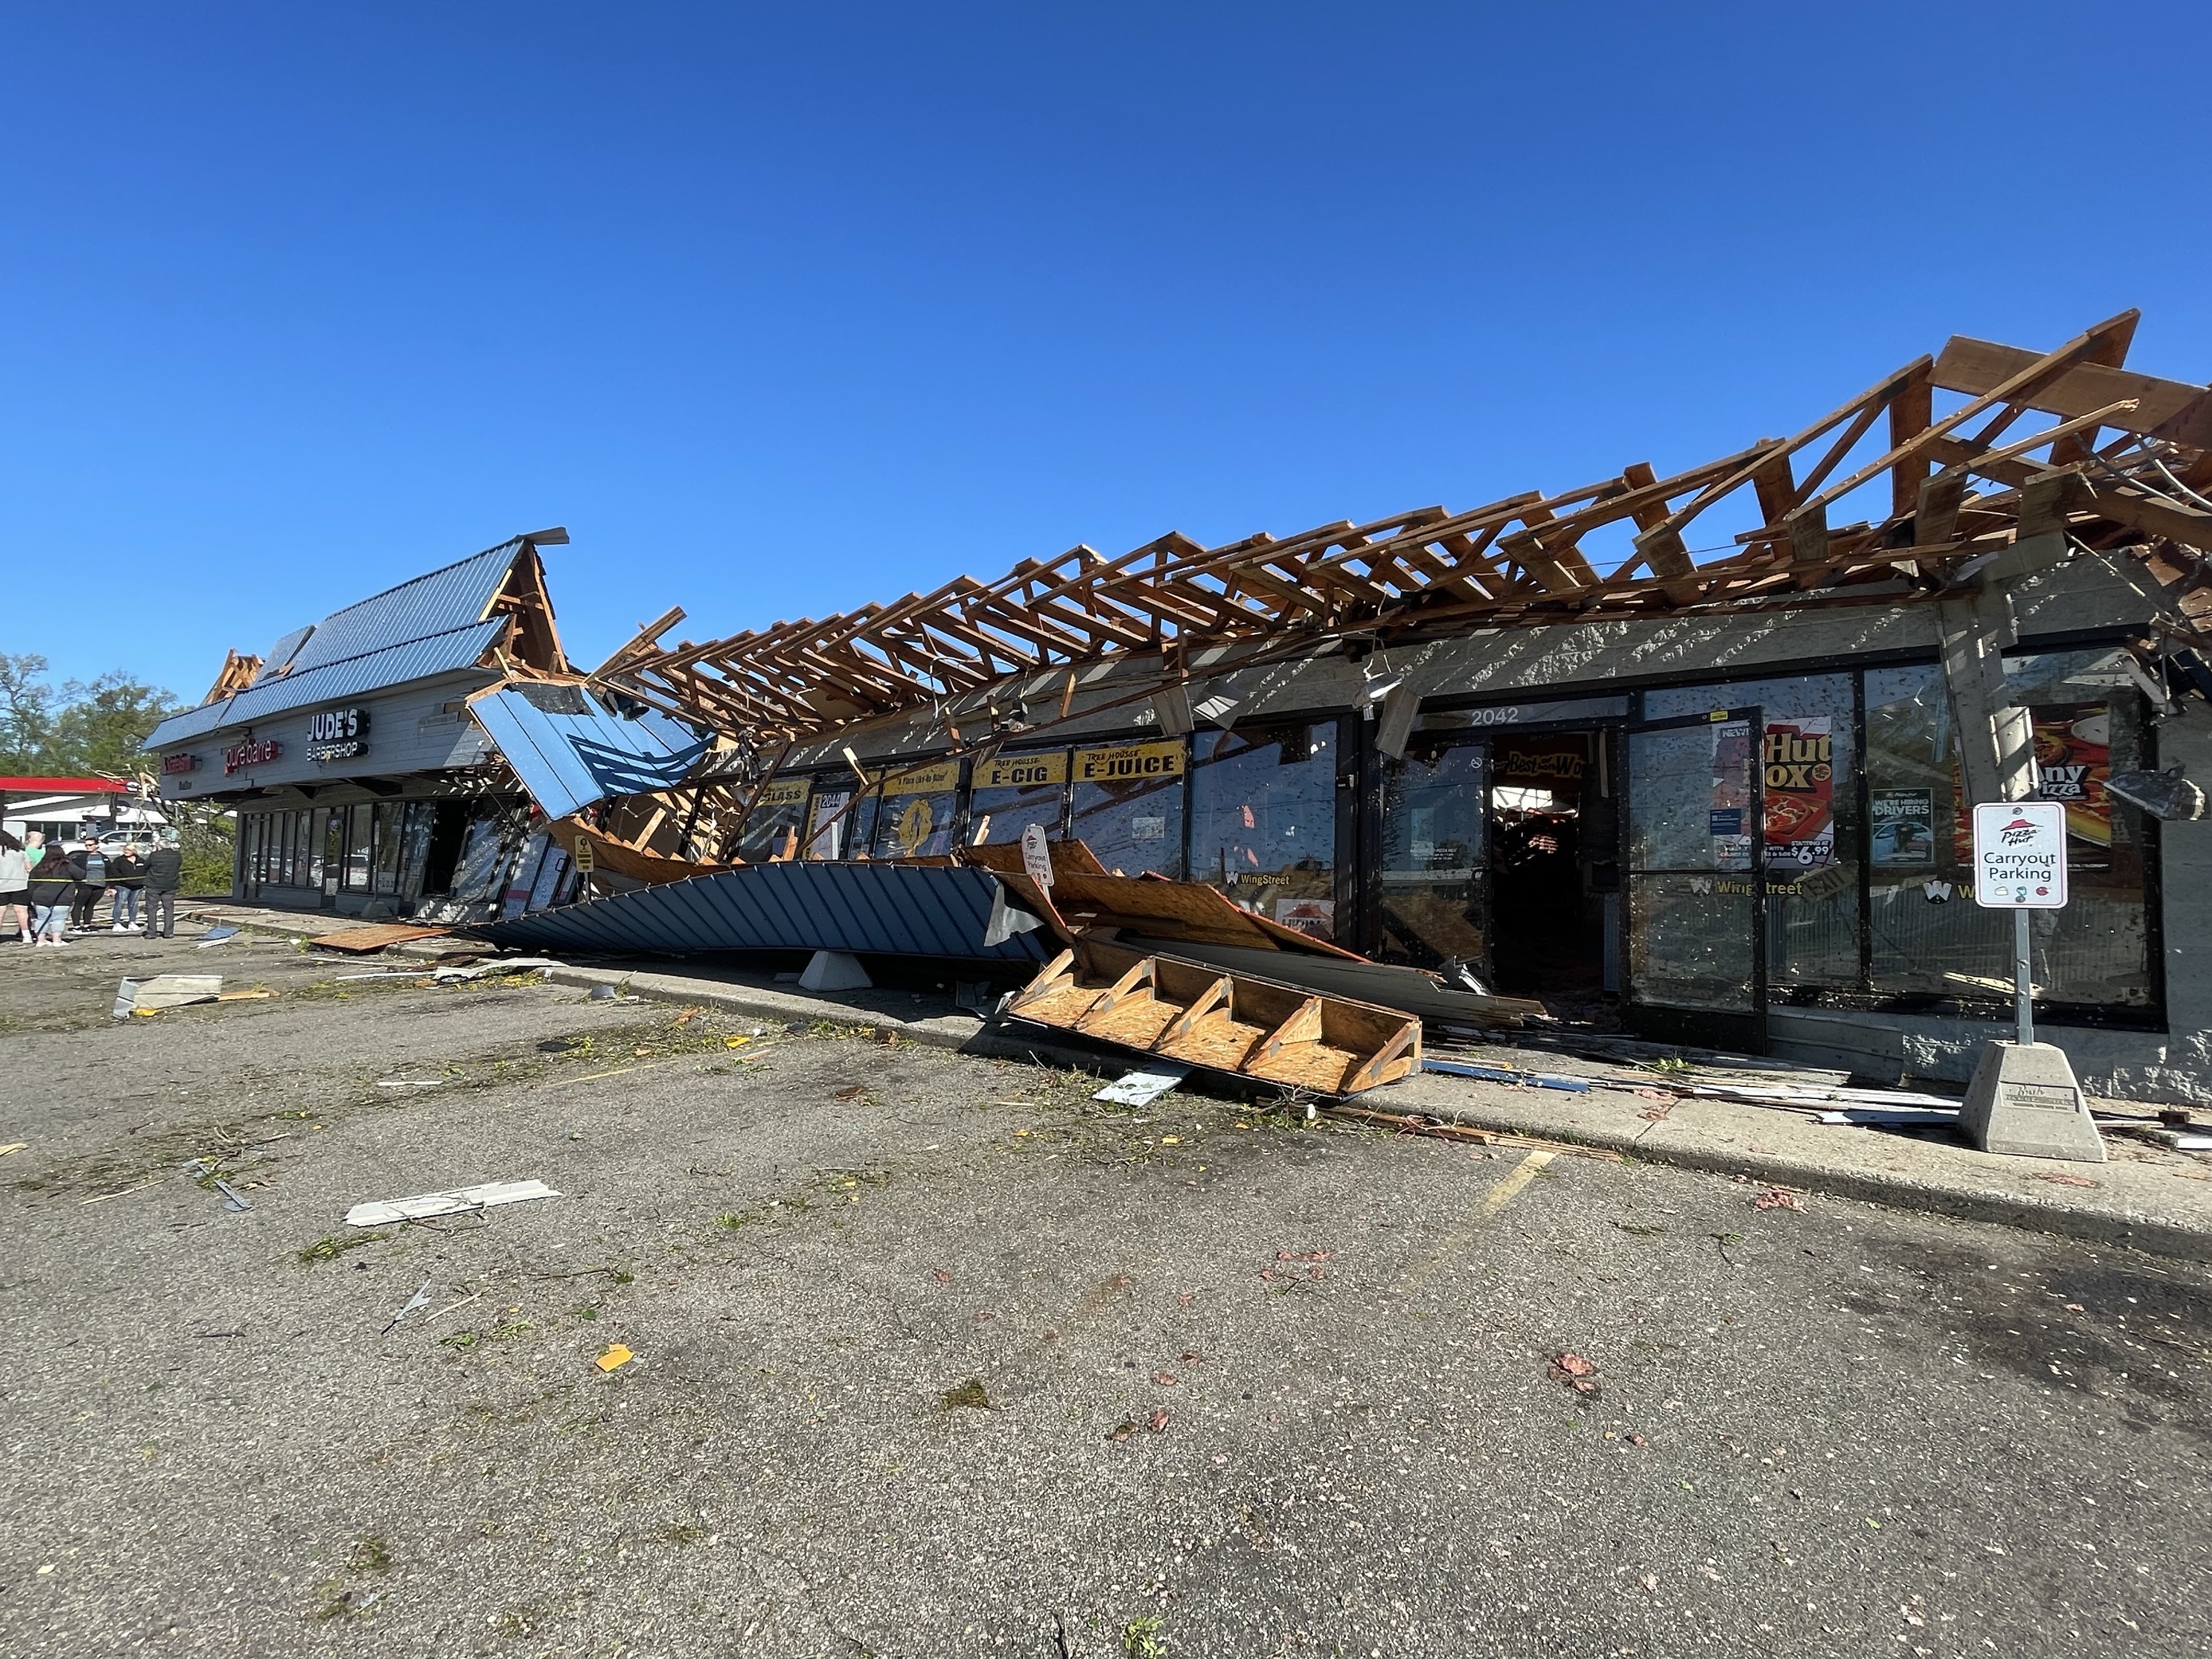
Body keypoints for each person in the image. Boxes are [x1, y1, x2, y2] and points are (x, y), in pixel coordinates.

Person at [29, 840, 82, 946]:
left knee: (42, 918)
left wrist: (31, 896)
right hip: (62, 898)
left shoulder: (39, 867)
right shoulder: (67, 866)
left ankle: (41, 940)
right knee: (59, 919)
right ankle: (57, 940)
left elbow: (31, 883)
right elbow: (81, 875)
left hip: (41, 897)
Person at [142, 840, 182, 939]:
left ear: (159, 846)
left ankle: (152, 932)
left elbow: (145, 866)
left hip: (154, 885)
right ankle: (168, 932)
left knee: (152, 909)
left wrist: (154, 851)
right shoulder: (177, 856)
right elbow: (178, 866)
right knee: (169, 909)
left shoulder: (154, 855)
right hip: (170, 884)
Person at [71, 841, 108, 931]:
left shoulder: (103, 857)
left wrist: (110, 886)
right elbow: (74, 870)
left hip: (100, 885)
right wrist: (77, 884)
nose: (88, 847)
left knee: (90, 905)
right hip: (85, 885)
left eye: (90, 845)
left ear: (97, 845)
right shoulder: (81, 858)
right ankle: (76, 925)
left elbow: (110, 870)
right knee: (79, 904)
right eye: (86, 845)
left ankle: (87, 924)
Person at [0, 831, 29, 943]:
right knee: (22, 911)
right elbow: (29, 868)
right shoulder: (21, 852)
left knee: (1, 912)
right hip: (21, 885)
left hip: (1, 886)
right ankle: (27, 936)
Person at [108, 845, 145, 931]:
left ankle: (132, 922)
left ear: (134, 851)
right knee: (119, 904)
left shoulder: (141, 860)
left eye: (129, 850)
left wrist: (143, 882)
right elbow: (113, 873)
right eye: (125, 849)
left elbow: (145, 871)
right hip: (122, 886)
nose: (126, 851)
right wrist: (112, 886)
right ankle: (116, 923)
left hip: (137, 886)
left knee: (134, 904)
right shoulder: (119, 861)